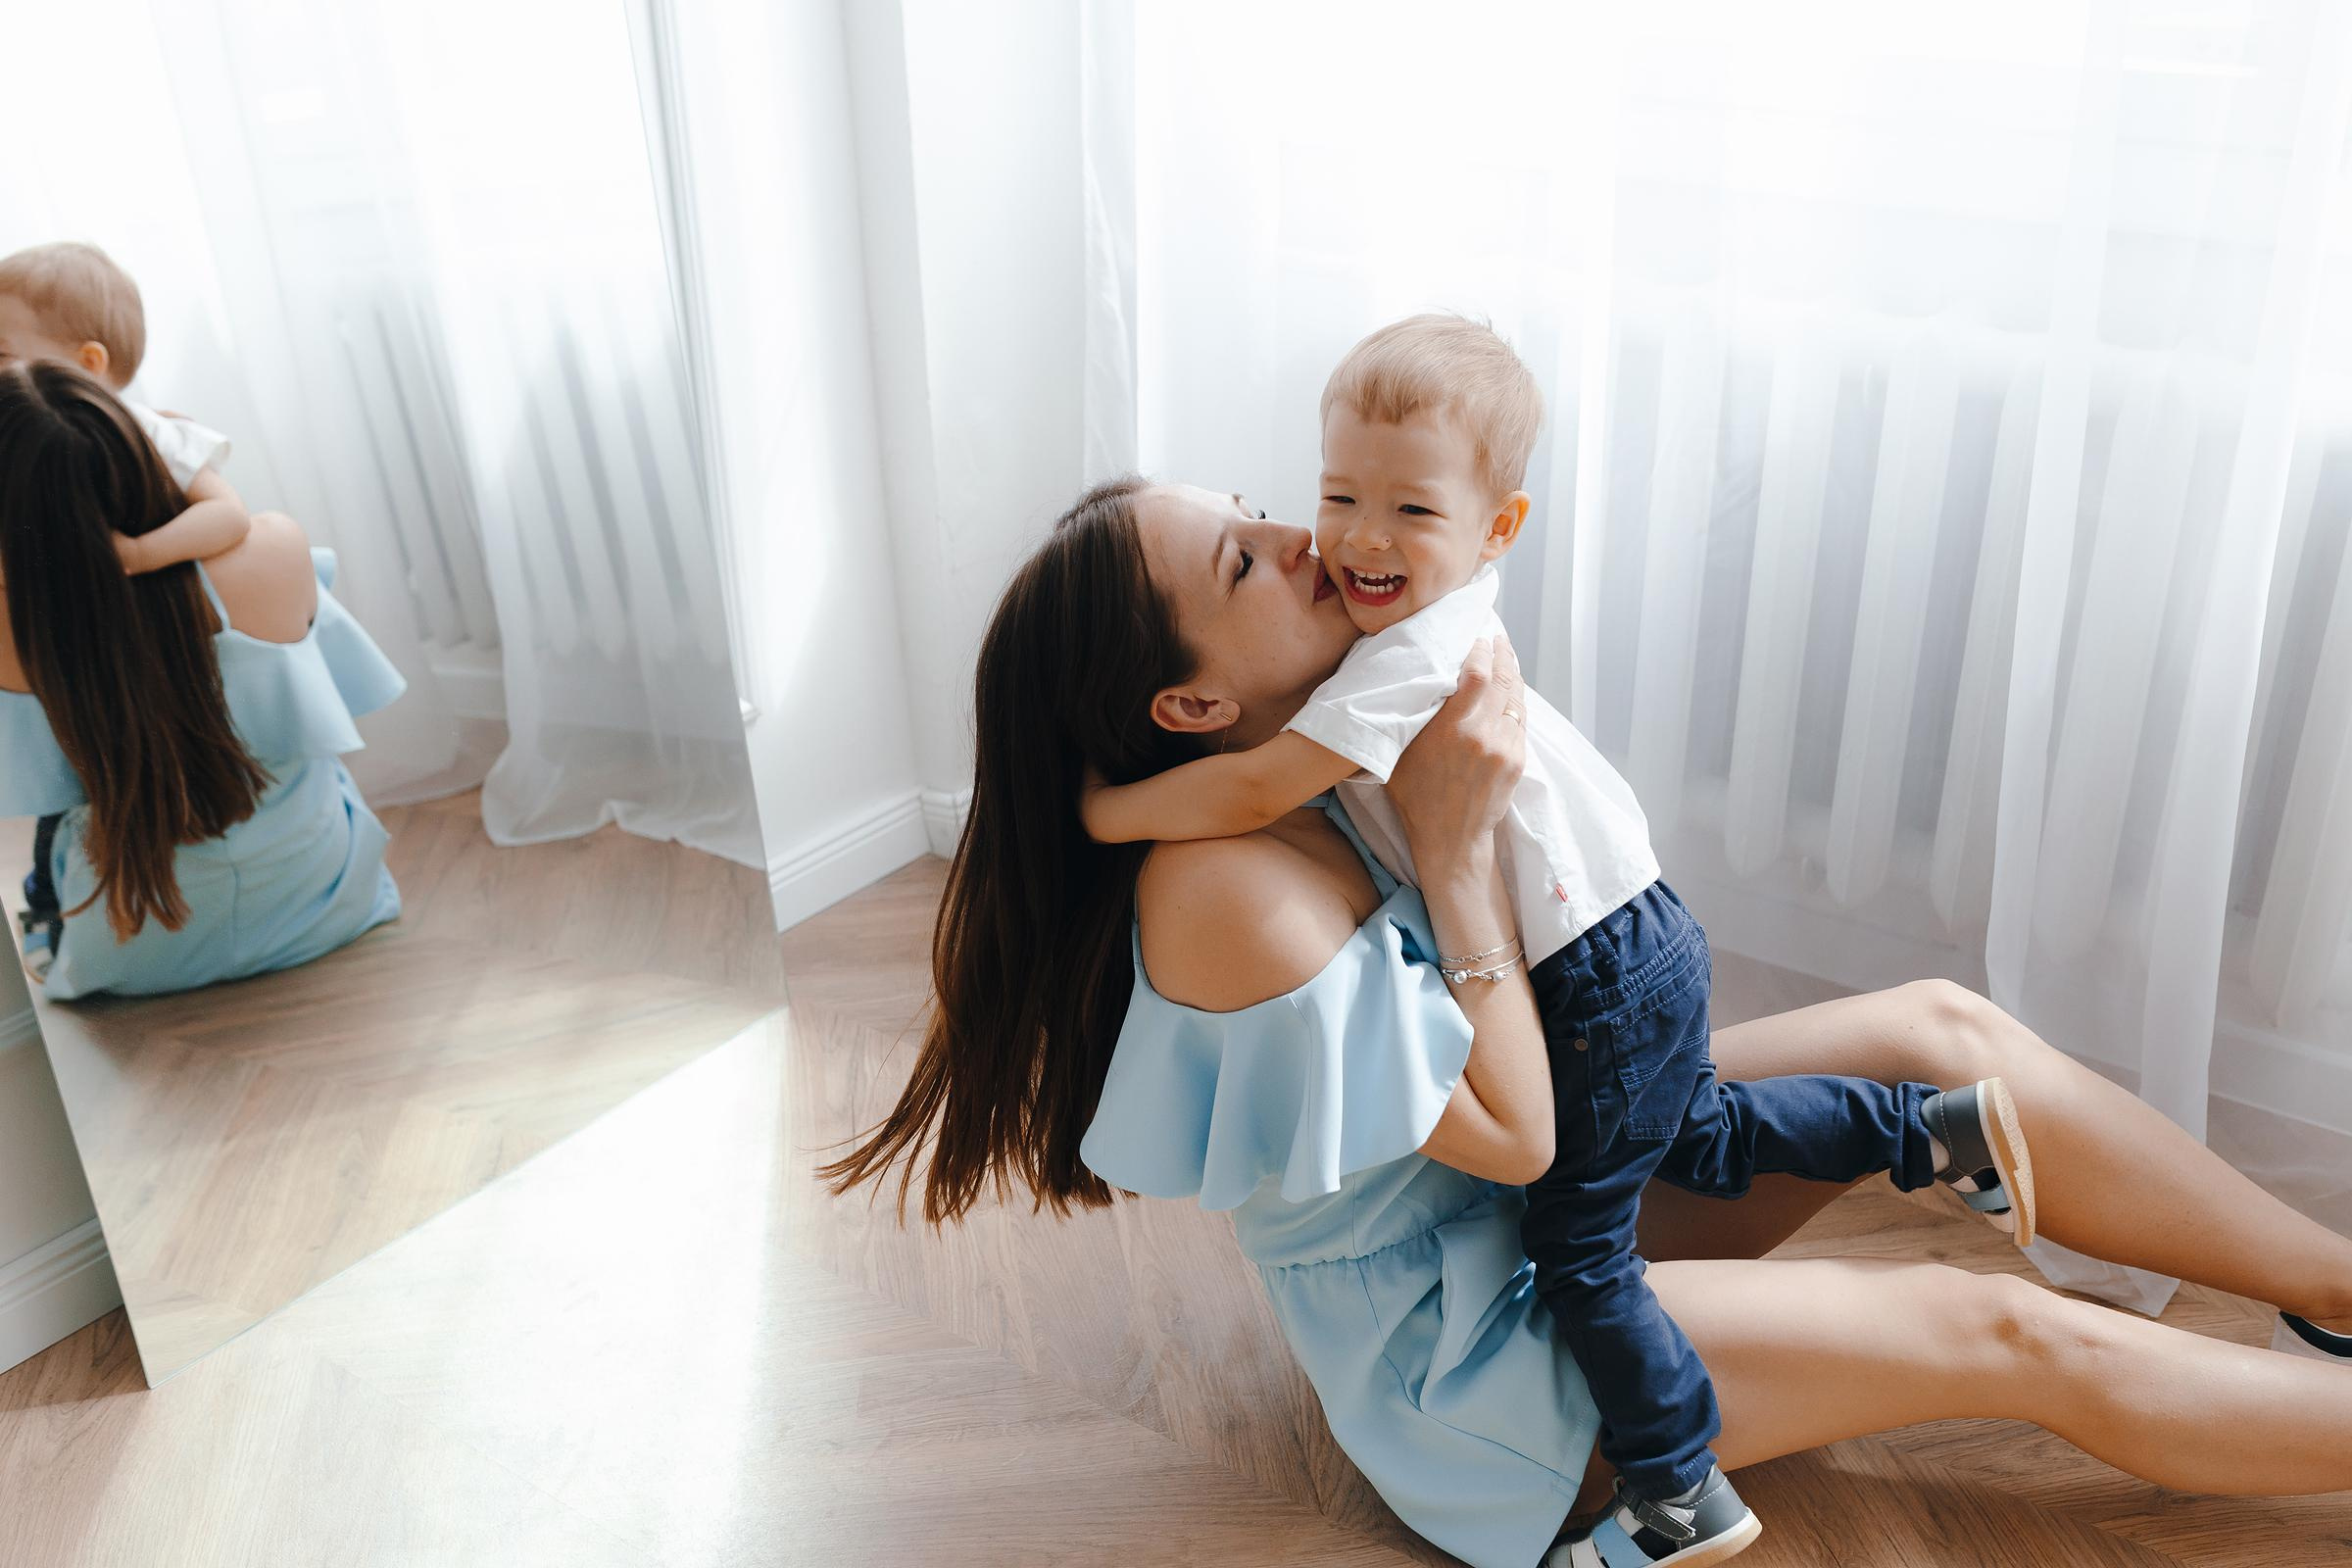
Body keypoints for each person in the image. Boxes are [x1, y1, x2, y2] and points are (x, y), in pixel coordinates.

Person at [823, 476, 2352, 1568]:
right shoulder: (1223, 893)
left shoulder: (1293, 753)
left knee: (1936, 1029)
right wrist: (1452, 855)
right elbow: (1509, 1135)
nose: (1301, 539)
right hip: (1485, 1357)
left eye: (1257, 511)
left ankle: (2337, 1284)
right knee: (2004, 1332)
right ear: (1192, 705)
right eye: (1243, 562)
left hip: (1561, 1203)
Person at [1079, 317, 2026, 1562]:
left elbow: (1255, 785)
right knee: (1704, 1131)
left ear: (1497, 527)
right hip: (1635, 929)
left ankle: (1675, 1483)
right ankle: (1929, 1131)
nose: (1334, 539)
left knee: (1580, 1251)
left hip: (1588, 973)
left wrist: (1103, 809)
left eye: (1407, 509)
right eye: (1331, 499)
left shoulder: (1396, 667)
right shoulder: (1419, 634)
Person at [0, 361, 404, 998]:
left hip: (129, 948)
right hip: (327, 902)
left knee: (65, 822)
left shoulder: (12, 625)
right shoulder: (277, 545)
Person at [0, 241, 257, 965]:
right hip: (71, 652)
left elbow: (229, 516)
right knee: (69, 792)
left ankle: (54, 912)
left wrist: (142, 553)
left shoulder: (154, 431)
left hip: (151, 642)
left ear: (87, 363)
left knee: (91, 783)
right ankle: (49, 904)